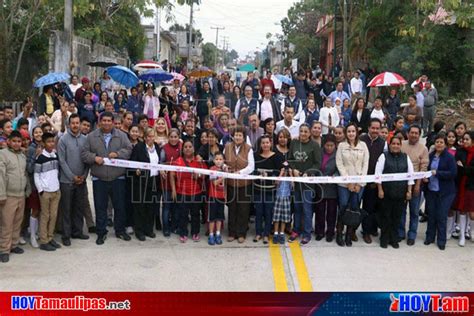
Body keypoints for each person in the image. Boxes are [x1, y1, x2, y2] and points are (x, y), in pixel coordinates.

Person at [81, 112, 133, 245]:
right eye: (103, 120)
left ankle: (120, 230)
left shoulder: (121, 135)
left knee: (119, 206)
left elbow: (129, 149)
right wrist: (94, 158)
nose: (106, 123)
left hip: (118, 178)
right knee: (100, 207)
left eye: (109, 121)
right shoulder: (91, 137)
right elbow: (84, 154)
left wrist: (118, 154)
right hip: (100, 178)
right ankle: (101, 232)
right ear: (99, 122)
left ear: (112, 122)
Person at [375, 135, 414, 248]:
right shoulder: (384, 156)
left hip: (400, 193)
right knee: (386, 216)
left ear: (401, 145)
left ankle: (393, 239)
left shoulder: (405, 157)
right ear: (390, 145)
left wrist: (409, 191)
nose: (395, 146)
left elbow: (410, 175)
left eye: (398, 144)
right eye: (393, 144)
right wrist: (380, 189)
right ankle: (384, 239)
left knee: (397, 217)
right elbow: (378, 174)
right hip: (387, 192)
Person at [57, 114, 89, 247]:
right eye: (73, 123)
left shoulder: (85, 139)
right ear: (69, 124)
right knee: (67, 209)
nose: (75, 125)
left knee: (78, 208)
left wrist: (84, 176)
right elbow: (62, 161)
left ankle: (77, 231)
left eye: (77, 123)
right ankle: (66, 234)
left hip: (81, 180)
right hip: (67, 181)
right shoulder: (63, 140)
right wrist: (72, 177)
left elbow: (87, 159)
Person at [335, 123, 369, 247]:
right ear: (346, 133)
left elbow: (365, 164)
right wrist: (348, 181)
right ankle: (339, 233)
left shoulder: (363, 146)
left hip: (359, 184)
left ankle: (349, 234)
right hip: (344, 184)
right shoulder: (341, 146)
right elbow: (339, 164)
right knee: (343, 206)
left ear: (356, 132)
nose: (351, 133)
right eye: (348, 131)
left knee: (354, 208)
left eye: (353, 131)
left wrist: (359, 183)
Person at [288, 123, 322, 245]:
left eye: (306, 131)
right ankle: (296, 230)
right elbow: (290, 158)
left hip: (308, 181)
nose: (303, 133)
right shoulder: (294, 143)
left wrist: (308, 172)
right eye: (301, 131)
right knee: (297, 207)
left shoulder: (315, 145)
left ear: (310, 133)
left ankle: (307, 233)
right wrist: (294, 169)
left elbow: (318, 163)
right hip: (297, 180)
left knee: (307, 208)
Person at [0, 131, 31, 263]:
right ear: (8, 141)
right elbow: (0, 176)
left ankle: (13, 245)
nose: (17, 144)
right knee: (6, 223)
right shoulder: (3, 155)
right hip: (8, 195)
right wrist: (1, 194)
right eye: (14, 141)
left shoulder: (22, 156)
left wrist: (28, 189)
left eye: (19, 141)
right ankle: (4, 250)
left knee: (17, 222)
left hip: (20, 195)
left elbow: (25, 174)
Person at [424, 133, 457, 250]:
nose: (439, 144)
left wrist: (438, 173)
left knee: (441, 216)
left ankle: (441, 240)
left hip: (446, 192)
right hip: (432, 190)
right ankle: (429, 237)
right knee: (431, 214)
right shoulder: (431, 155)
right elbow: (427, 169)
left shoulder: (449, 157)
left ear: (445, 144)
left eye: (441, 142)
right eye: (437, 142)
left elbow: (453, 173)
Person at [170, 140, 207, 243]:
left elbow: (205, 175)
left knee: (195, 214)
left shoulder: (198, 161)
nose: (188, 148)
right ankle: (183, 233)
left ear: (194, 149)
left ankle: (195, 233)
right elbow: (172, 175)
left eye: (190, 146)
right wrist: (173, 189)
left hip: (196, 192)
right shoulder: (178, 161)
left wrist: (198, 176)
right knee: (183, 214)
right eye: (185, 147)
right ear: (182, 149)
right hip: (182, 192)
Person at [224, 126, 255, 243]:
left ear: (244, 137)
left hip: (244, 184)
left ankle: (241, 233)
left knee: (243, 208)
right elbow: (221, 161)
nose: (237, 137)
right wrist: (224, 167)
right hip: (231, 183)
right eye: (236, 135)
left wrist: (240, 173)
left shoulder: (248, 149)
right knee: (232, 208)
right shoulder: (227, 147)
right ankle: (231, 232)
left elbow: (251, 166)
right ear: (233, 136)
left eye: (240, 135)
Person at [130, 128, 161, 241]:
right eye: (148, 136)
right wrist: (136, 170)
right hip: (141, 182)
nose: (151, 138)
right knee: (140, 207)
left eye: (153, 136)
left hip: (153, 181)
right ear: (144, 137)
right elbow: (132, 162)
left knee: (151, 207)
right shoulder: (139, 148)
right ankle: (139, 231)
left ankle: (149, 229)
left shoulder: (156, 147)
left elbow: (159, 162)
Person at [400, 125, 429, 245]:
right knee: (401, 210)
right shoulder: (401, 145)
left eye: (416, 133)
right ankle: (400, 232)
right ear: (408, 133)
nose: (414, 135)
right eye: (412, 132)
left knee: (414, 211)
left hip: (416, 184)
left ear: (419, 135)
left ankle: (412, 234)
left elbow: (423, 168)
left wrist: (417, 185)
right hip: (401, 184)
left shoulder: (423, 148)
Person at [359, 118, 386, 243]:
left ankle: (367, 232)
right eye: (373, 128)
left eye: (377, 128)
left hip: (373, 182)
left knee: (369, 208)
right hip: (359, 179)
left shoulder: (383, 143)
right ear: (368, 128)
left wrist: (377, 181)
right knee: (355, 206)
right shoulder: (361, 140)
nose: (375, 130)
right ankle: (351, 230)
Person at [253, 135, 283, 244]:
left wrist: (278, 178)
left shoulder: (276, 156)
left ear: (270, 144)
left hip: (270, 190)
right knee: (258, 212)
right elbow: (253, 169)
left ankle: (266, 234)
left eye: (267, 142)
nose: (265, 145)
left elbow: (283, 168)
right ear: (260, 145)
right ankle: (258, 233)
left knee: (268, 212)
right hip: (258, 189)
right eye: (263, 143)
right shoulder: (256, 156)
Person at [34, 132, 61, 251]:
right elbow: (36, 175)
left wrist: (58, 187)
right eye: (49, 142)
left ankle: (50, 237)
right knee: (45, 215)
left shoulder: (55, 155)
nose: (51, 144)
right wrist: (41, 190)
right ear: (44, 143)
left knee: (54, 215)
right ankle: (43, 240)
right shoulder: (40, 158)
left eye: (52, 141)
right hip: (45, 192)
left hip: (56, 190)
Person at [315, 134, 338, 242]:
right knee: (320, 211)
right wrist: (320, 177)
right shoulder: (319, 152)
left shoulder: (338, 154)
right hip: (320, 186)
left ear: (335, 145)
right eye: (327, 145)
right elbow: (315, 165)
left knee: (331, 211)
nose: (329, 148)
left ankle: (330, 232)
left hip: (332, 187)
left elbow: (340, 167)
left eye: (331, 145)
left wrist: (335, 176)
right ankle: (320, 231)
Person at [453, 131, 474, 247]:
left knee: (472, 213)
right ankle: (462, 235)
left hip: (471, 186)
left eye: (467, 139)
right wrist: (467, 169)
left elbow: (469, 170)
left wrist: (465, 168)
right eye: (463, 139)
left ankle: (471, 231)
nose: (464, 141)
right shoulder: (459, 151)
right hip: (460, 184)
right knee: (461, 210)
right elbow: (457, 168)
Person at [207, 152, 226, 246]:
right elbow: (214, 183)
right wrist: (223, 176)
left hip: (221, 197)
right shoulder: (212, 169)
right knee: (212, 217)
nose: (219, 161)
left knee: (219, 217)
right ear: (214, 160)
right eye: (217, 159)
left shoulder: (224, 169)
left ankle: (218, 234)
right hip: (213, 196)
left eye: (221, 159)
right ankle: (211, 234)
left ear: (223, 161)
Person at [272, 160, 292, 244]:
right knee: (276, 217)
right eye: (284, 169)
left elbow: (293, 185)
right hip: (278, 198)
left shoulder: (289, 179)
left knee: (284, 217)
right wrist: (281, 173)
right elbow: (276, 183)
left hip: (286, 198)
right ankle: (276, 233)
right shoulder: (279, 177)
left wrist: (290, 174)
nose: (285, 171)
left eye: (286, 170)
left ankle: (282, 233)